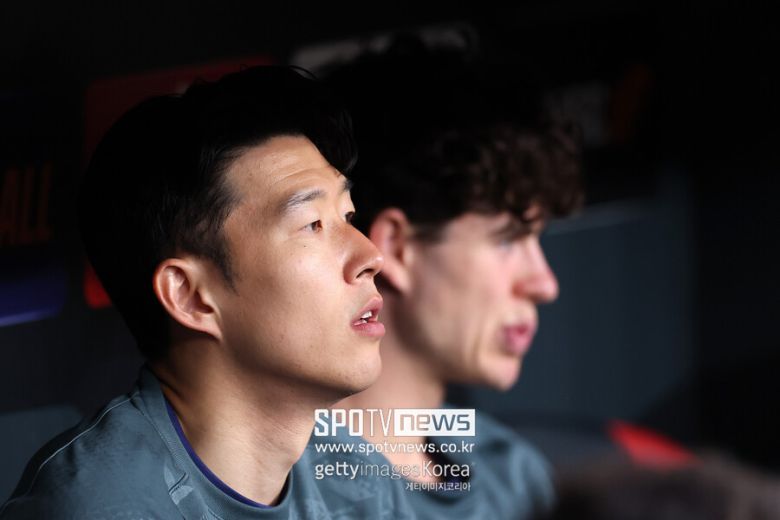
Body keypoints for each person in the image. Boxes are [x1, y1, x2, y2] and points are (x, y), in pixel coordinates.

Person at [0, 66, 412, 518]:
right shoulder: (98, 508)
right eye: (312, 224)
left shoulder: (360, 482)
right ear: (190, 296)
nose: (370, 255)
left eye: (347, 217)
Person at [324, 45, 583, 519]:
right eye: (508, 239)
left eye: (537, 239)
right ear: (397, 249)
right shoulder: (278, 493)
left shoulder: (516, 477)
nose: (545, 284)